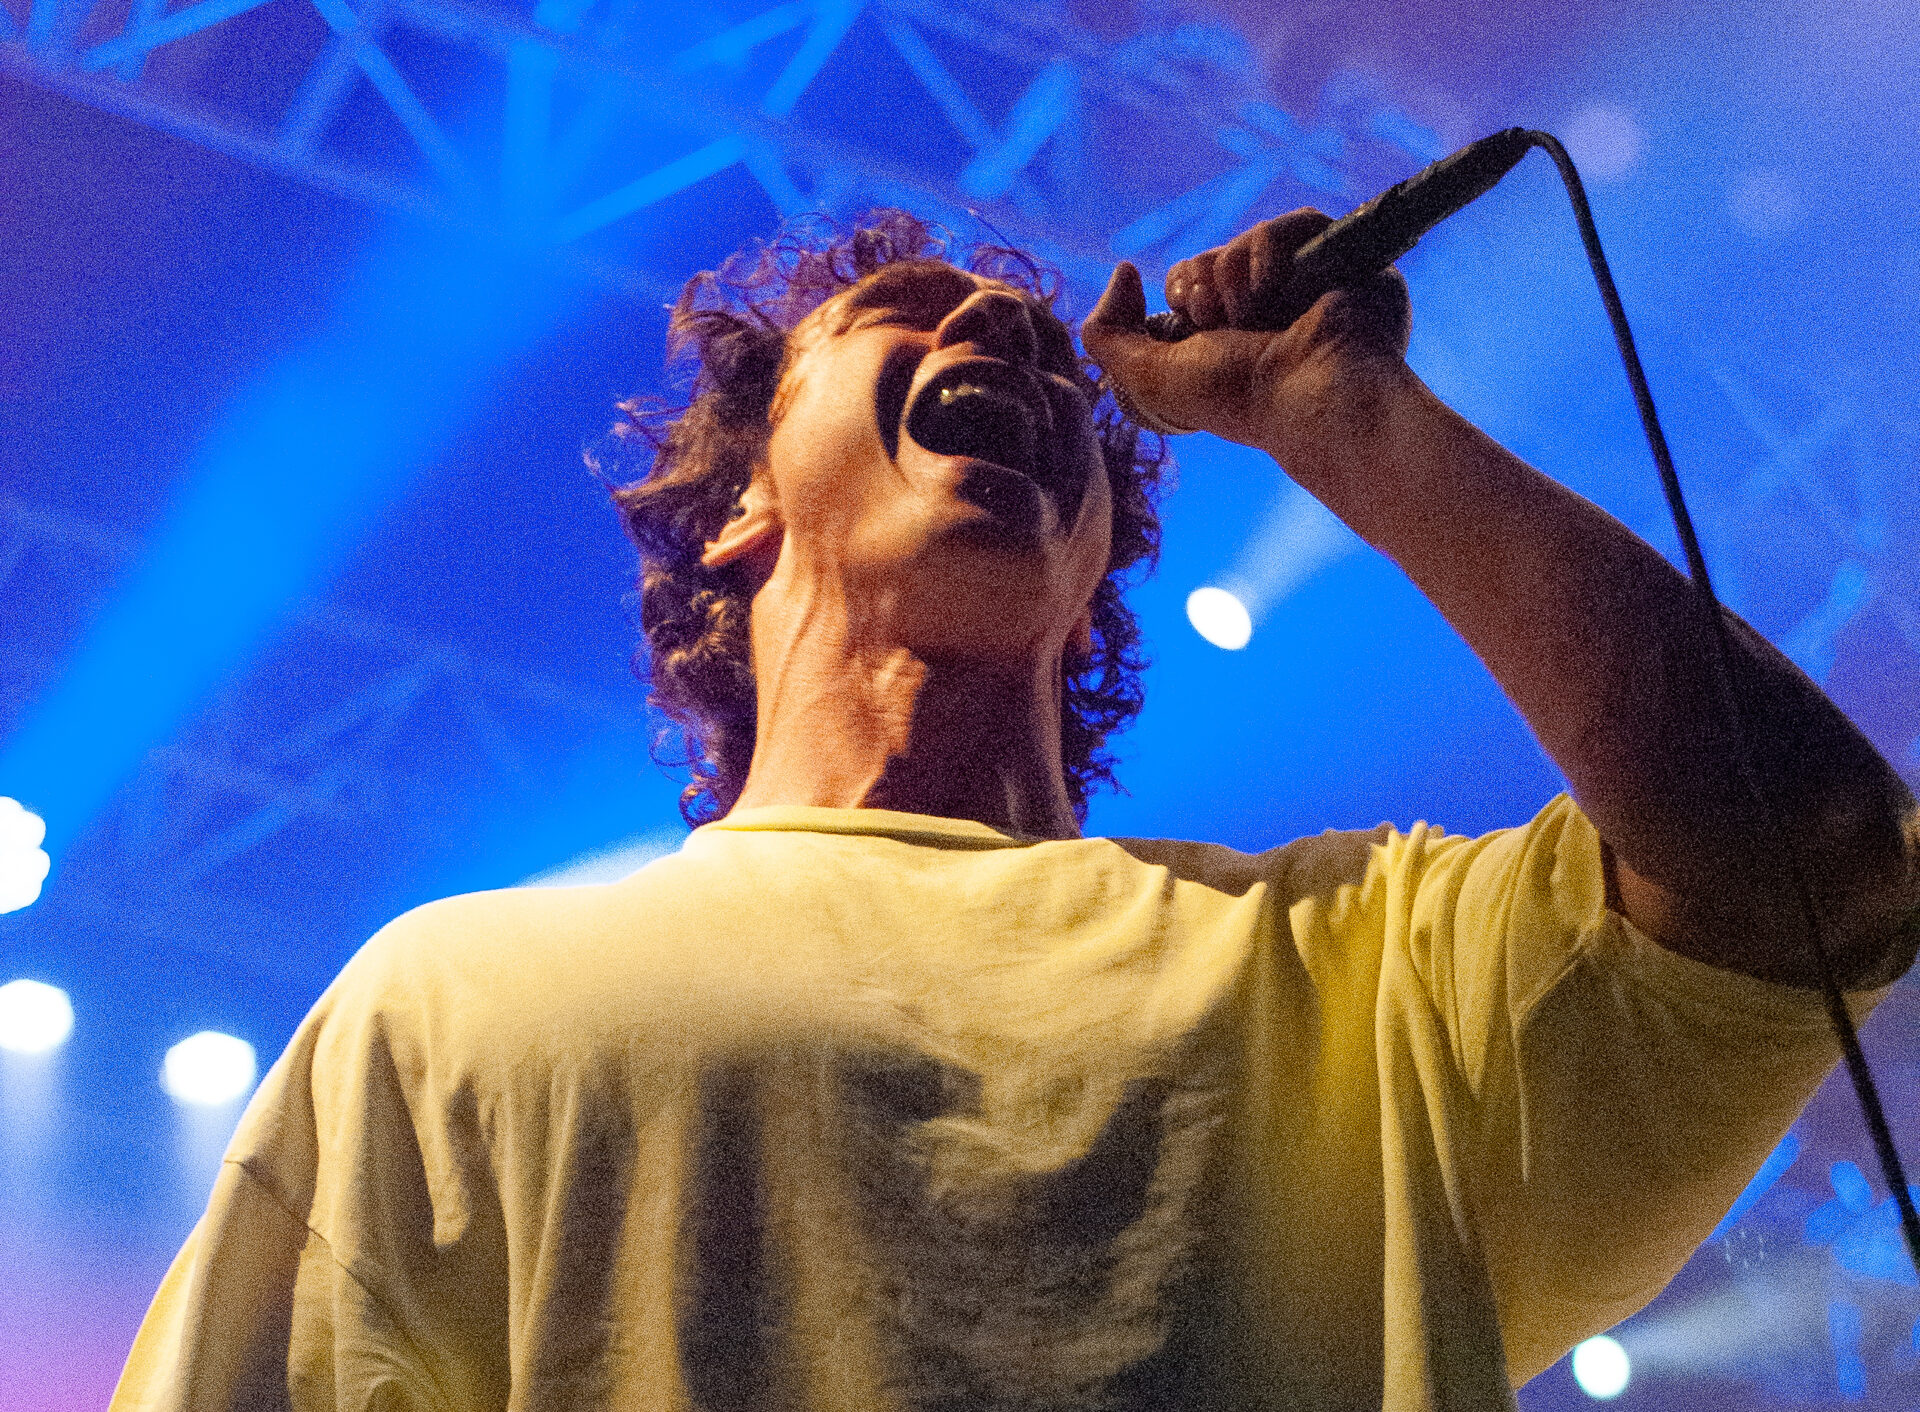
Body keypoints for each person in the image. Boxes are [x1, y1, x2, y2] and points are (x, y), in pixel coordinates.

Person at [112, 209, 1918, 1411]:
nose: (1003, 324)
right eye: (899, 318)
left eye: (1055, 361)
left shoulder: (1354, 969)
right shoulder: (453, 1004)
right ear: (741, 507)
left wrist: (1344, 416)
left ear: (1095, 565)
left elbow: (1814, 865)